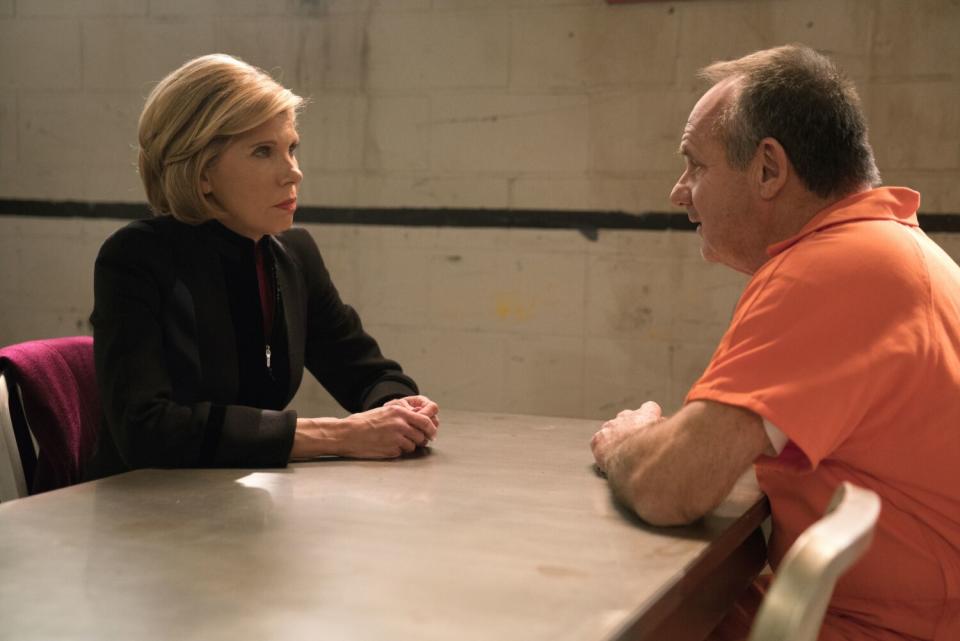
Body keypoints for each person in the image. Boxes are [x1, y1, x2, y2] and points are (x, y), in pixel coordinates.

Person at [590, 45, 959, 641]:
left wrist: (625, 446)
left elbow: (671, 486)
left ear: (768, 169)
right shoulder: (887, 251)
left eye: (695, 165)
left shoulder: (832, 269)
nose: (679, 192)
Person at [85, 53, 439, 480]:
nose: (293, 173)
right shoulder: (136, 257)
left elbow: (366, 371)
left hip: (244, 510)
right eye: (262, 152)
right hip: (143, 519)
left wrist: (398, 408)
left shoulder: (294, 254)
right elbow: (147, 430)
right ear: (202, 174)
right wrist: (338, 434)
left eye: (291, 148)